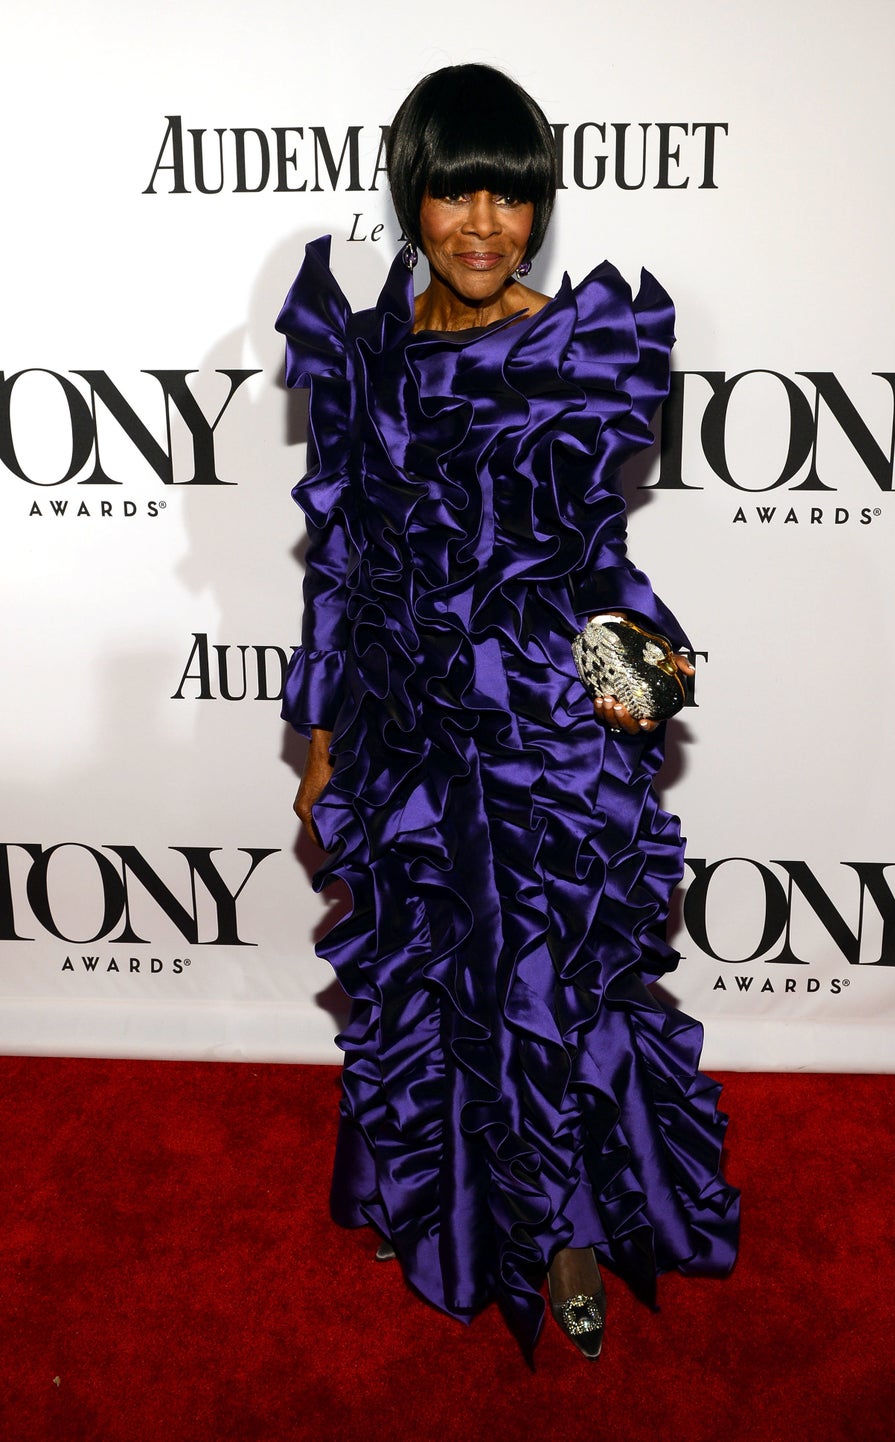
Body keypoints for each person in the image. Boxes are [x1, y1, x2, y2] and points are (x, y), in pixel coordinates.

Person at [276, 63, 739, 1359]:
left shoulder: (576, 349)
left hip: (541, 720)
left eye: (510, 196)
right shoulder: (366, 361)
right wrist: (321, 750)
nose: (483, 222)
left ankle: (571, 1231)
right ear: (411, 197)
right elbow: (343, 568)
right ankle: (432, 1196)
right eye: (453, 191)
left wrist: (637, 664)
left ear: (538, 207)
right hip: (407, 726)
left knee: (552, 982)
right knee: (427, 975)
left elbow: (597, 553)